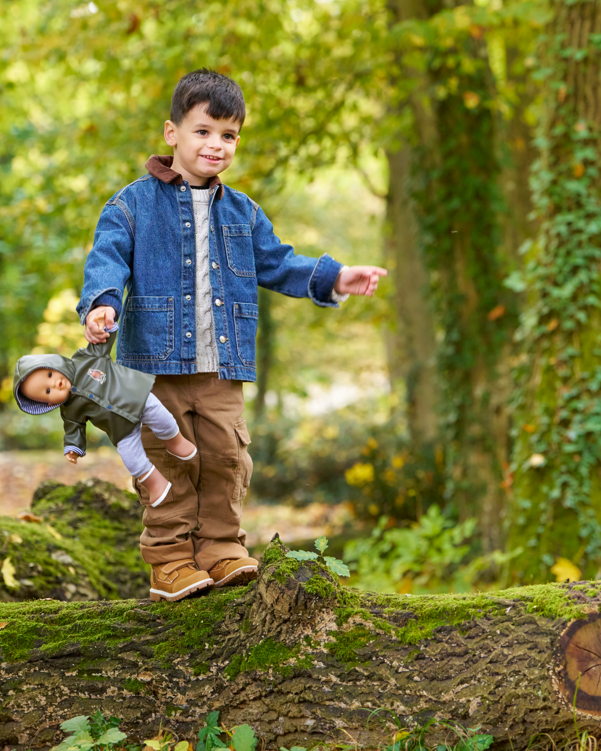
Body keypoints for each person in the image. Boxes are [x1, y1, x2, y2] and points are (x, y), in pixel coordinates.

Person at [75, 68, 387, 602]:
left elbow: (279, 262)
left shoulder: (242, 211)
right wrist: (101, 305)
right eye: (203, 131)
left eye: (228, 135)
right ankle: (170, 559)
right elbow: (106, 261)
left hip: (222, 365)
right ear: (171, 132)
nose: (216, 145)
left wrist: (335, 278)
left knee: (224, 457)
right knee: (168, 460)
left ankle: (220, 547)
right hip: (156, 368)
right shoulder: (131, 205)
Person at [12, 320, 213, 601]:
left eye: (48, 374)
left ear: (53, 363)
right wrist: (73, 448)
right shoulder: (69, 410)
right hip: (121, 429)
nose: (53, 383)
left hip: (138, 397)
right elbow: (74, 430)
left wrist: (105, 325)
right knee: (132, 458)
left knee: (164, 419)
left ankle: (176, 443)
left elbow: (103, 341)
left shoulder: (85, 359)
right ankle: (155, 483)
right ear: (48, 404)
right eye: (47, 391)